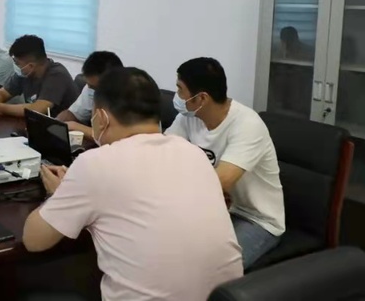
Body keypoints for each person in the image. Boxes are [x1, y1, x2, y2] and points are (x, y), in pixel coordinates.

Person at [22, 67, 243, 301]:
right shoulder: (194, 153)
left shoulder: (96, 163)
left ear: (102, 117)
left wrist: (57, 195)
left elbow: (34, 241)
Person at [165, 57, 285, 270]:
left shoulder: (247, 125)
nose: (177, 96)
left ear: (201, 98)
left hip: (255, 219)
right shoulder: (188, 117)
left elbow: (218, 183)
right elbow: (163, 157)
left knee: (208, 269)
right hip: (216, 210)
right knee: (164, 249)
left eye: (180, 89)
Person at [0, 35, 78, 117]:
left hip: (62, 128)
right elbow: (2, 93)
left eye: (17, 63)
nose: (16, 66)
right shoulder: (24, 73)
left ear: (31, 66)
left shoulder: (57, 75)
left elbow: (38, 109)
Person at [57, 51, 123, 139]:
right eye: (90, 86)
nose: (92, 91)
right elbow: (72, 114)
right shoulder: (91, 87)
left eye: (95, 88)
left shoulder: (132, 98)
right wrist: (56, 123)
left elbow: (114, 137)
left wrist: (76, 127)